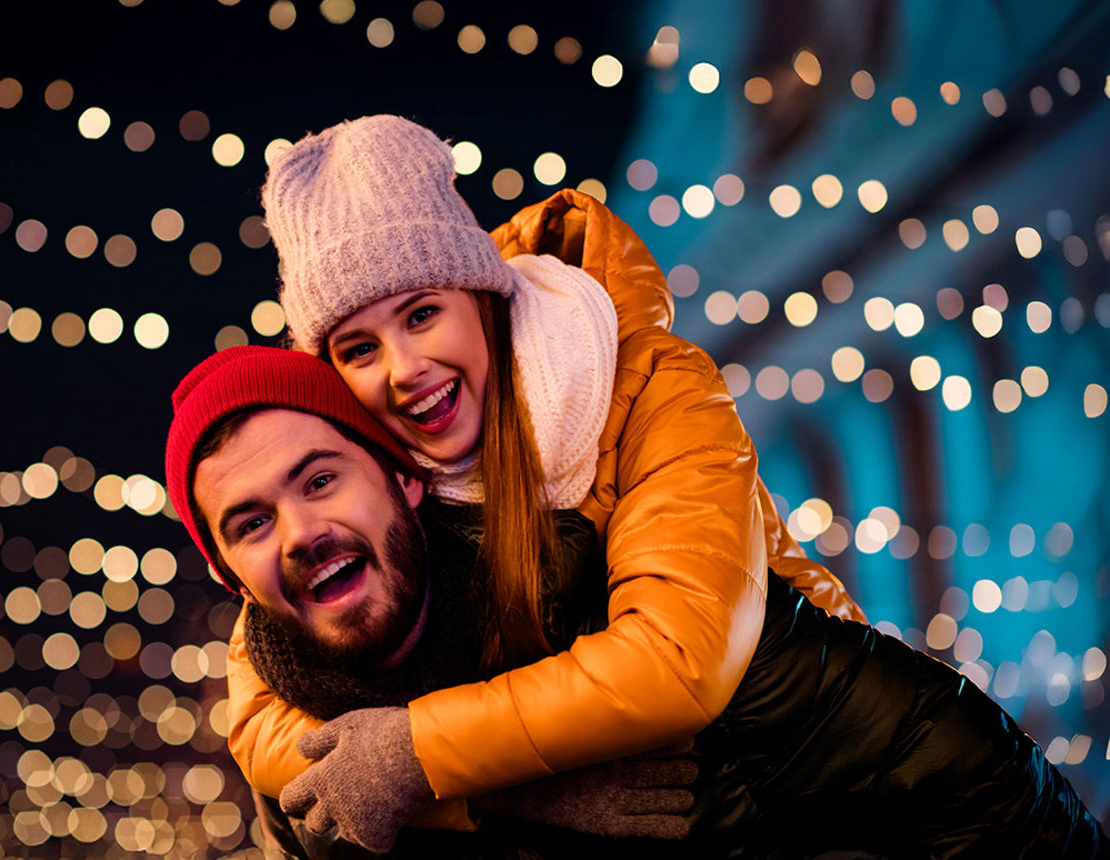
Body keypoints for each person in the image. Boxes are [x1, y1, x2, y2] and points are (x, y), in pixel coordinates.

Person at [164, 345, 1108, 857]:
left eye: (320, 479)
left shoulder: (617, 598)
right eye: (250, 523)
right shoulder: (295, 782)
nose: (299, 532)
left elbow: (954, 772)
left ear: (404, 478)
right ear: (230, 578)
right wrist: (499, 796)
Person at [225, 113, 869, 847]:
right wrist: (499, 794)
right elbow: (261, 715)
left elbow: (679, 657)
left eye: (423, 314)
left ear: (482, 299)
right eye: (359, 349)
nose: (405, 370)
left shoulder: (650, 384)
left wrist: (422, 753)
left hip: (818, 766)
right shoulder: (377, 474)